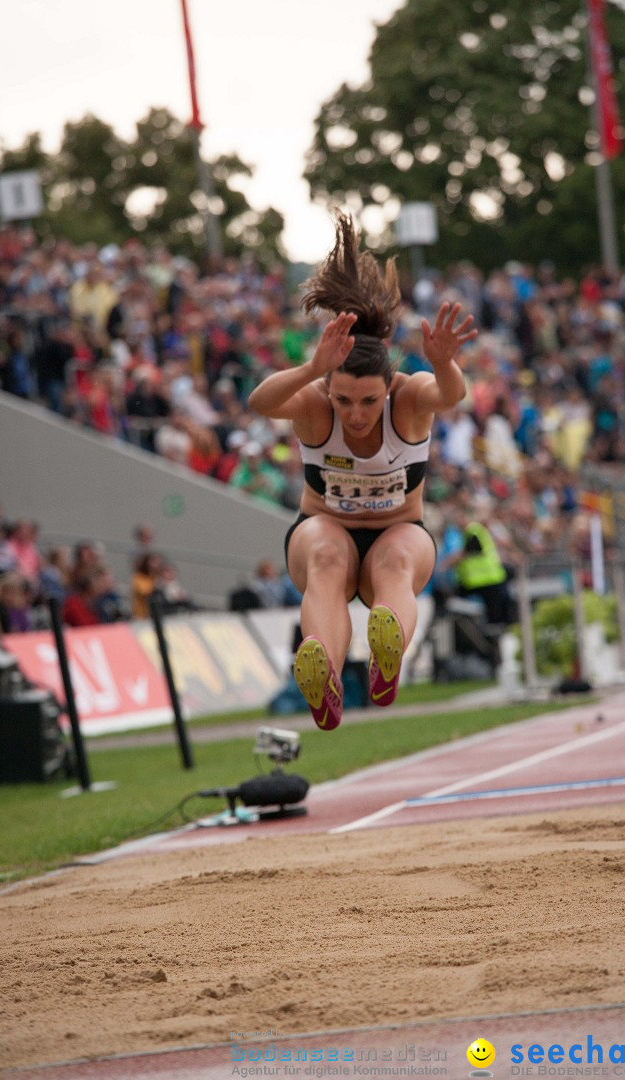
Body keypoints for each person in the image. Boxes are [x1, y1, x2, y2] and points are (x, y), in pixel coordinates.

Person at [247, 214, 476, 730]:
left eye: (368, 400)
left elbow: (452, 394)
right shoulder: (315, 403)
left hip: (400, 528)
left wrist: (443, 363)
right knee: (327, 558)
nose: (354, 413)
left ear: (388, 387)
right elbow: (260, 402)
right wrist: (311, 370)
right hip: (324, 526)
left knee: (395, 562)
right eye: (344, 399)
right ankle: (322, 672)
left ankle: (386, 647)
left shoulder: (410, 397)